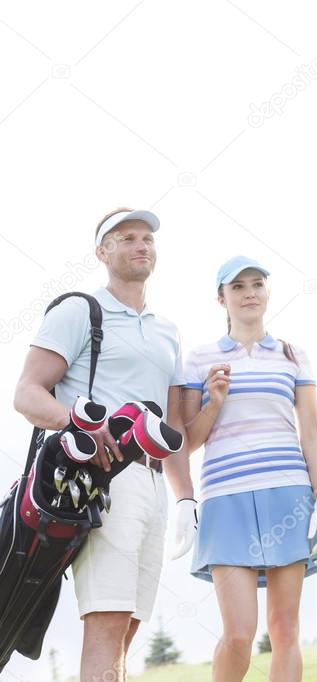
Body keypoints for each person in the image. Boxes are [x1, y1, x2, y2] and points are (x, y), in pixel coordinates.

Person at [13, 208, 192, 682]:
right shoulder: (79, 310)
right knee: (107, 622)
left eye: (147, 238)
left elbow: (174, 425)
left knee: (129, 627)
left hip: (154, 486)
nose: (141, 245)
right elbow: (27, 393)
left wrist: (187, 497)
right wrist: (82, 426)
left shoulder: (167, 330)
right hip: (103, 478)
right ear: (102, 252)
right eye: (127, 237)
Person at [175, 256, 317, 682]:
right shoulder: (199, 358)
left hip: (288, 494)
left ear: (267, 292)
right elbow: (188, 441)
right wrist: (215, 403)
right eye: (238, 286)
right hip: (226, 500)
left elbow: (312, 434)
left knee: (285, 629)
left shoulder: (293, 354)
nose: (249, 293)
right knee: (240, 633)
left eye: (257, 284)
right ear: (221, 298)